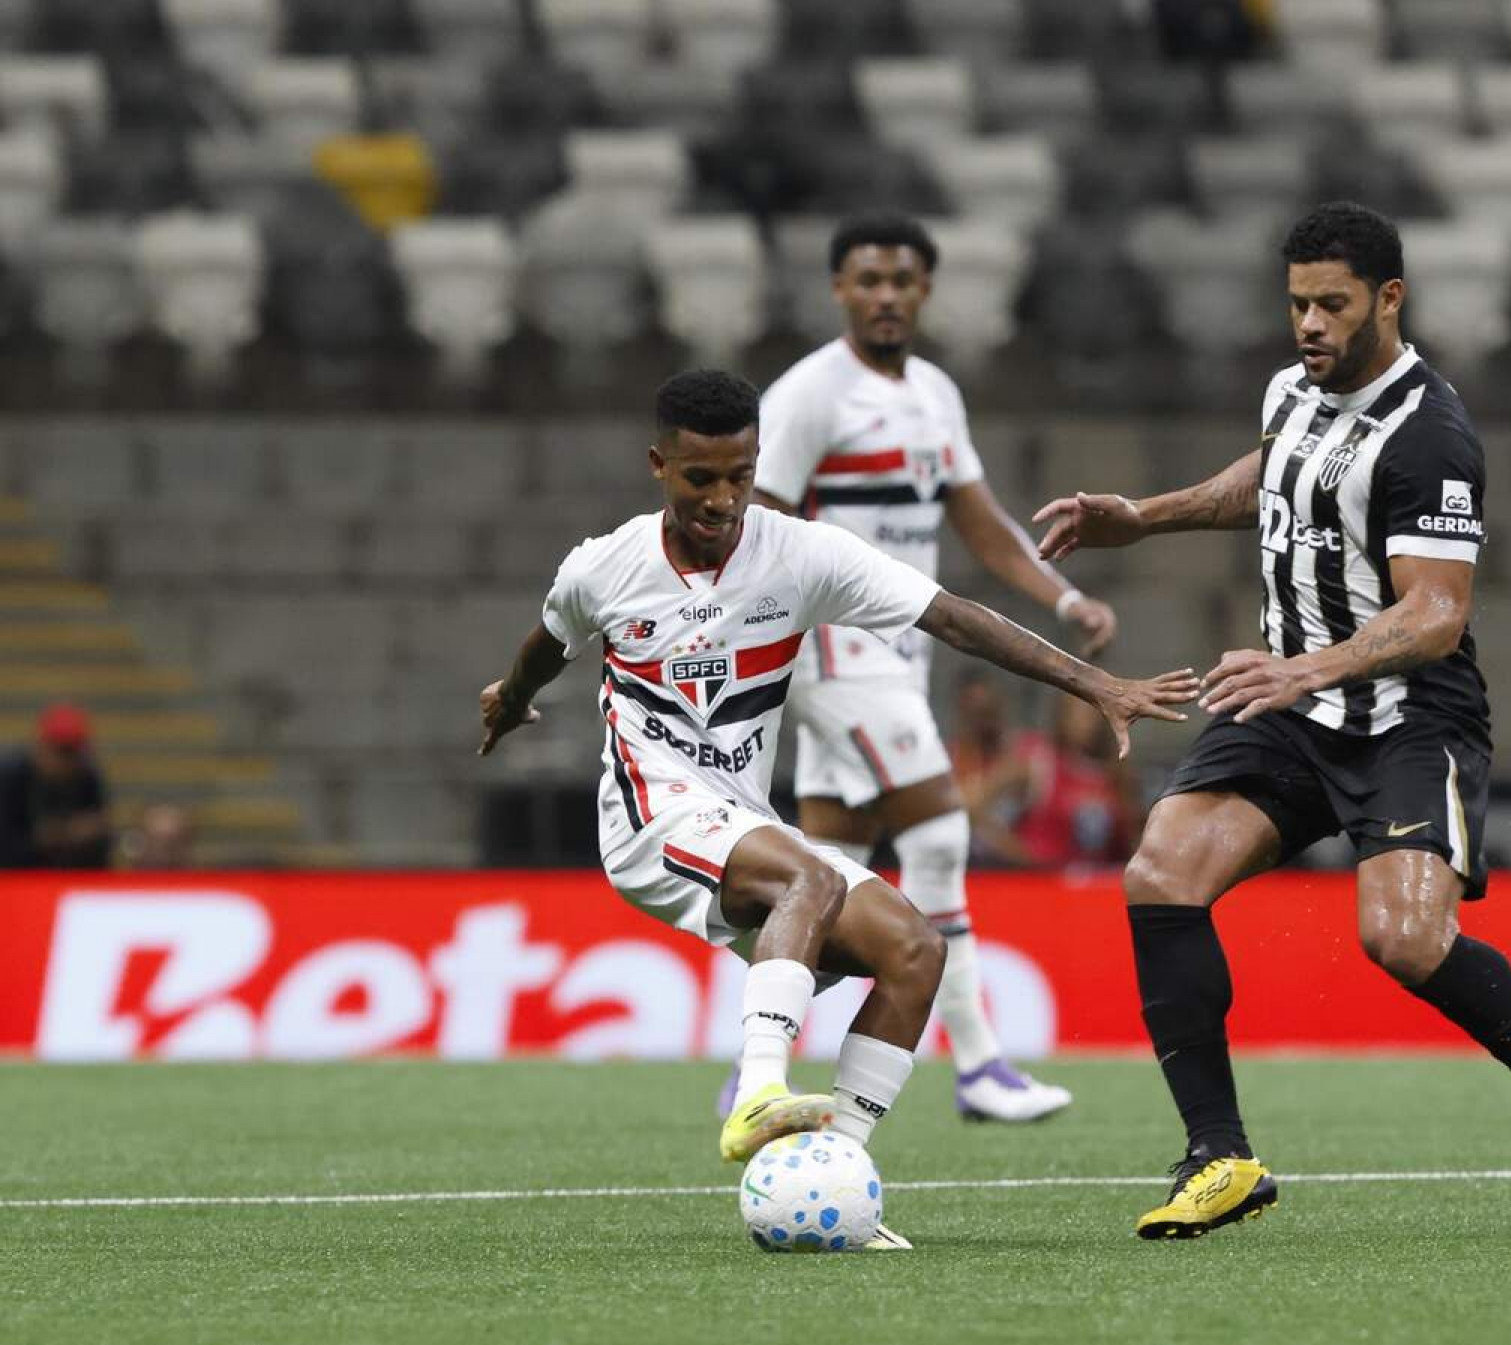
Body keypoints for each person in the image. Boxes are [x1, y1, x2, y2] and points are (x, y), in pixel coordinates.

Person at [1034, 202, 1511, 1240]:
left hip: (1409, 715)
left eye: (1332, 305)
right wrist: (1144, 517)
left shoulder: (1431, 435)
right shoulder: (1294, 389)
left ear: (1389, 299)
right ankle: (1219, 1156)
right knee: (1162, 871)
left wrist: (1299, 666)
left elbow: (1436, 613)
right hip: (1292, 702)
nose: (1309, 325)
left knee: (1403, 939)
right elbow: (1274, 478)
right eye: (1296, 305)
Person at [477, 370, 1195, 1249]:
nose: (723, 497)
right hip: (648, 820)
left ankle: (830, 1177)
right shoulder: (606, 565)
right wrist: (509, 702)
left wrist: (1096, 683)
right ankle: (757, 1092)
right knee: (809, 877)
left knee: (915, 948)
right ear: (660, 465)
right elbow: (546, 645)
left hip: (741, 821)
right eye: (701, 478)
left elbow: (956, 619)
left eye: (739, 474)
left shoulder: (800, 554)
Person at [749, 213, 1118, 1123]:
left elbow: (981, 521)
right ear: (839, 289)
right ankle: (981, 1062)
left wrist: (1064, 600)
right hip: (836, 648)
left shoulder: (933, 395)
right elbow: (756, 526)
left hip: (902, 652)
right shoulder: (807, 395)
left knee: (827, 863)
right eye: (868, 280)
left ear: (923, 291)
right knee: (942, 834)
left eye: (901, 281)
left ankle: (757, 1057)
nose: (885, 296)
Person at [1007, 693, 1142, 867]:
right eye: (1075, 710)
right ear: (1061, 714)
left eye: (1091, 710)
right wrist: (1024, 857)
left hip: (1098, 885)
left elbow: (1133, 838)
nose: (1083, 719)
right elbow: (975, 804)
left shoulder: (1114, 772)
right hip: (1047, 883)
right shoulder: (1041, 762)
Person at [0, 703, 111, 869]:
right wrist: (61, 834)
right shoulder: (10, 779)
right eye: (62, 751)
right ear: (41, 745)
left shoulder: (87, 777)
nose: (68, 762)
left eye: (75, 752)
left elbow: (100, 831)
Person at [946, 670, 1029, 868]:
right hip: (971, 865)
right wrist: (1000, 779)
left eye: (988, 711)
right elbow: (957, 809)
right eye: (975, 712)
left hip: (1023, 870)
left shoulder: (1024, 749)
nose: (983, 721)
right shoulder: (951, 757)